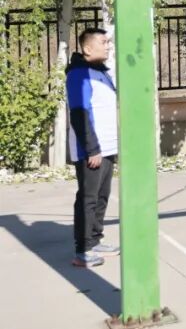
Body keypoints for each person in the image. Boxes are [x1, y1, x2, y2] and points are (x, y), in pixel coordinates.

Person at [67, 27, 120, 268]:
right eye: (103, 42)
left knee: (101, 196)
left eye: (108, 41)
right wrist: (92, 149)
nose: (108, 46)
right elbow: (80, 114)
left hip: (107, 147)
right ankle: (83, 250)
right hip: (91, 149)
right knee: (88, 199)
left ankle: (95, 240)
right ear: (88, 48)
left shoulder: (101, 72)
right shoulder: (79, 74)